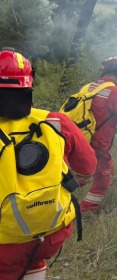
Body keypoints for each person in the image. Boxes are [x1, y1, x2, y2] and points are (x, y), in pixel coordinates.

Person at [0, 49, 96, 279]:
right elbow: (88, 166)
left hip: (3, 241)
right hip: (50, 231)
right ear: (29, 85)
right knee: (33, 255)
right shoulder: (55, 121)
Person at [80, 57, 117, 214]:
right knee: (103, 178)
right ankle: (85, 212)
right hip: (98, 144)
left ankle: (61, 199)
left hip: (79, 138)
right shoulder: (116, 92)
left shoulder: (88, 87)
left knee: (79, 173)